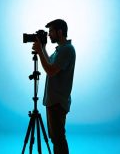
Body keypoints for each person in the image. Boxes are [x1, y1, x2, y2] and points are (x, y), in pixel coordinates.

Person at [32, 19, 76, 154]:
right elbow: (49, 64)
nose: (49, 34)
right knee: (55, 138)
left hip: (58, 101)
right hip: (53, 101)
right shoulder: (60, 50)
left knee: (58, 138)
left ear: (60, 32)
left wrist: (39, 51)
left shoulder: (67, 50)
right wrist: (43, 48)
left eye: (51, 31)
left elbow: (50, 71)